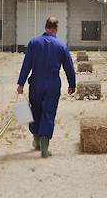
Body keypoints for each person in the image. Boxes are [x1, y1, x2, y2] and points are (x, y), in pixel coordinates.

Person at [17, 16, 76, 158]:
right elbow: (69, 67)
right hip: (52, 84)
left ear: (45, 27)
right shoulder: (61, 46)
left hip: (36, 83)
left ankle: (36, 141)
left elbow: (27, 65)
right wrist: (72, 84)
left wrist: (21, 83)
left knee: (35, 111)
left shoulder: (33, 43)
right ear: (56, 29)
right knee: (48, 113)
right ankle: (44, 148)